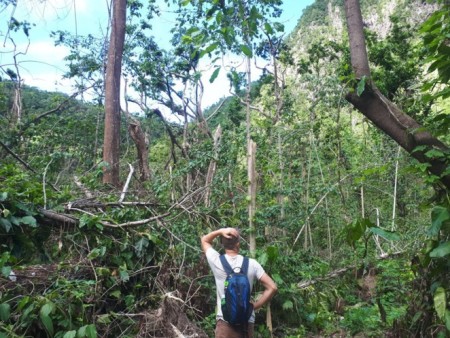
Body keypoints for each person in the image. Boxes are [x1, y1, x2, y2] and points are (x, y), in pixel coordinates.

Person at [201, 227, 278, 338]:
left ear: (223, 244)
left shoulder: (216, 261)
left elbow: (205, 240)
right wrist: (255, 306)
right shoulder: (252, 264)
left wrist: (221, 231)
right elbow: (272, 287)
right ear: (238, 244)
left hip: (224, 322)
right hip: (246, 323)